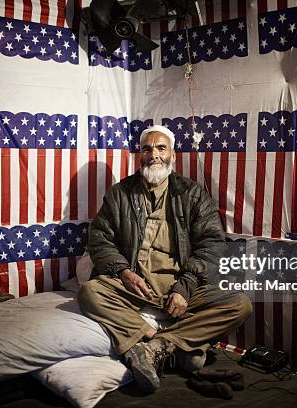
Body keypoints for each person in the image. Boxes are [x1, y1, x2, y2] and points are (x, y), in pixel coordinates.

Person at [78, 125, 252, 393]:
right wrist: (124, 271)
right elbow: (99, 240)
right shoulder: (119, 193)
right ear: (139, 155)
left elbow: (213, 245)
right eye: (147, 148)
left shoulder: (192, 194)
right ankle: (168, 345)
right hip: (135, 288)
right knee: (90, 293)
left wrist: (186, 285)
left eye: (161, 148)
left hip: (180, 289)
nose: (154, 155)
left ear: (172, 154)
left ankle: (157, 347)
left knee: (239, 304)